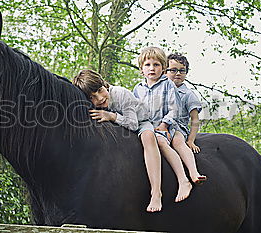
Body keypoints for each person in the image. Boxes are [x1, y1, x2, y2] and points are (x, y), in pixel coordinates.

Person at [73, 69, 163, 212]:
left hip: (142, 122)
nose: (99, 98)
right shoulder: (96, 105)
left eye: (99, 90)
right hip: (122, 127)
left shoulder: (121, 94)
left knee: (148, 138)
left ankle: (156, 192)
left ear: (104, 84)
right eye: (92, 97)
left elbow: (133, 124)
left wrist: (111, 116)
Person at [133, 47, 194, 202]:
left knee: (160, 142)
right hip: (146, 126)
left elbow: (174, 109)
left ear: (163, 68)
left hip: (164, 126)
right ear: (141, 69)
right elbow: (134, 109)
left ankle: (183, 179)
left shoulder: (168, 85)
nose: (152, 68)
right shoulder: (138, 89)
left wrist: (165, 124)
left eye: (156, 65)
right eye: (147, 65)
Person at [165, 53, 206, 184]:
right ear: (165, 71)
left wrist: (191, 140)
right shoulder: (160, 90)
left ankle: (193, 172)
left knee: (178, 143)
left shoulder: (188, 94)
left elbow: (195, 119)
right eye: (173, 70)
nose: (178, 73)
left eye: (182, 70)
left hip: (178, 128)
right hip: (161, 125)